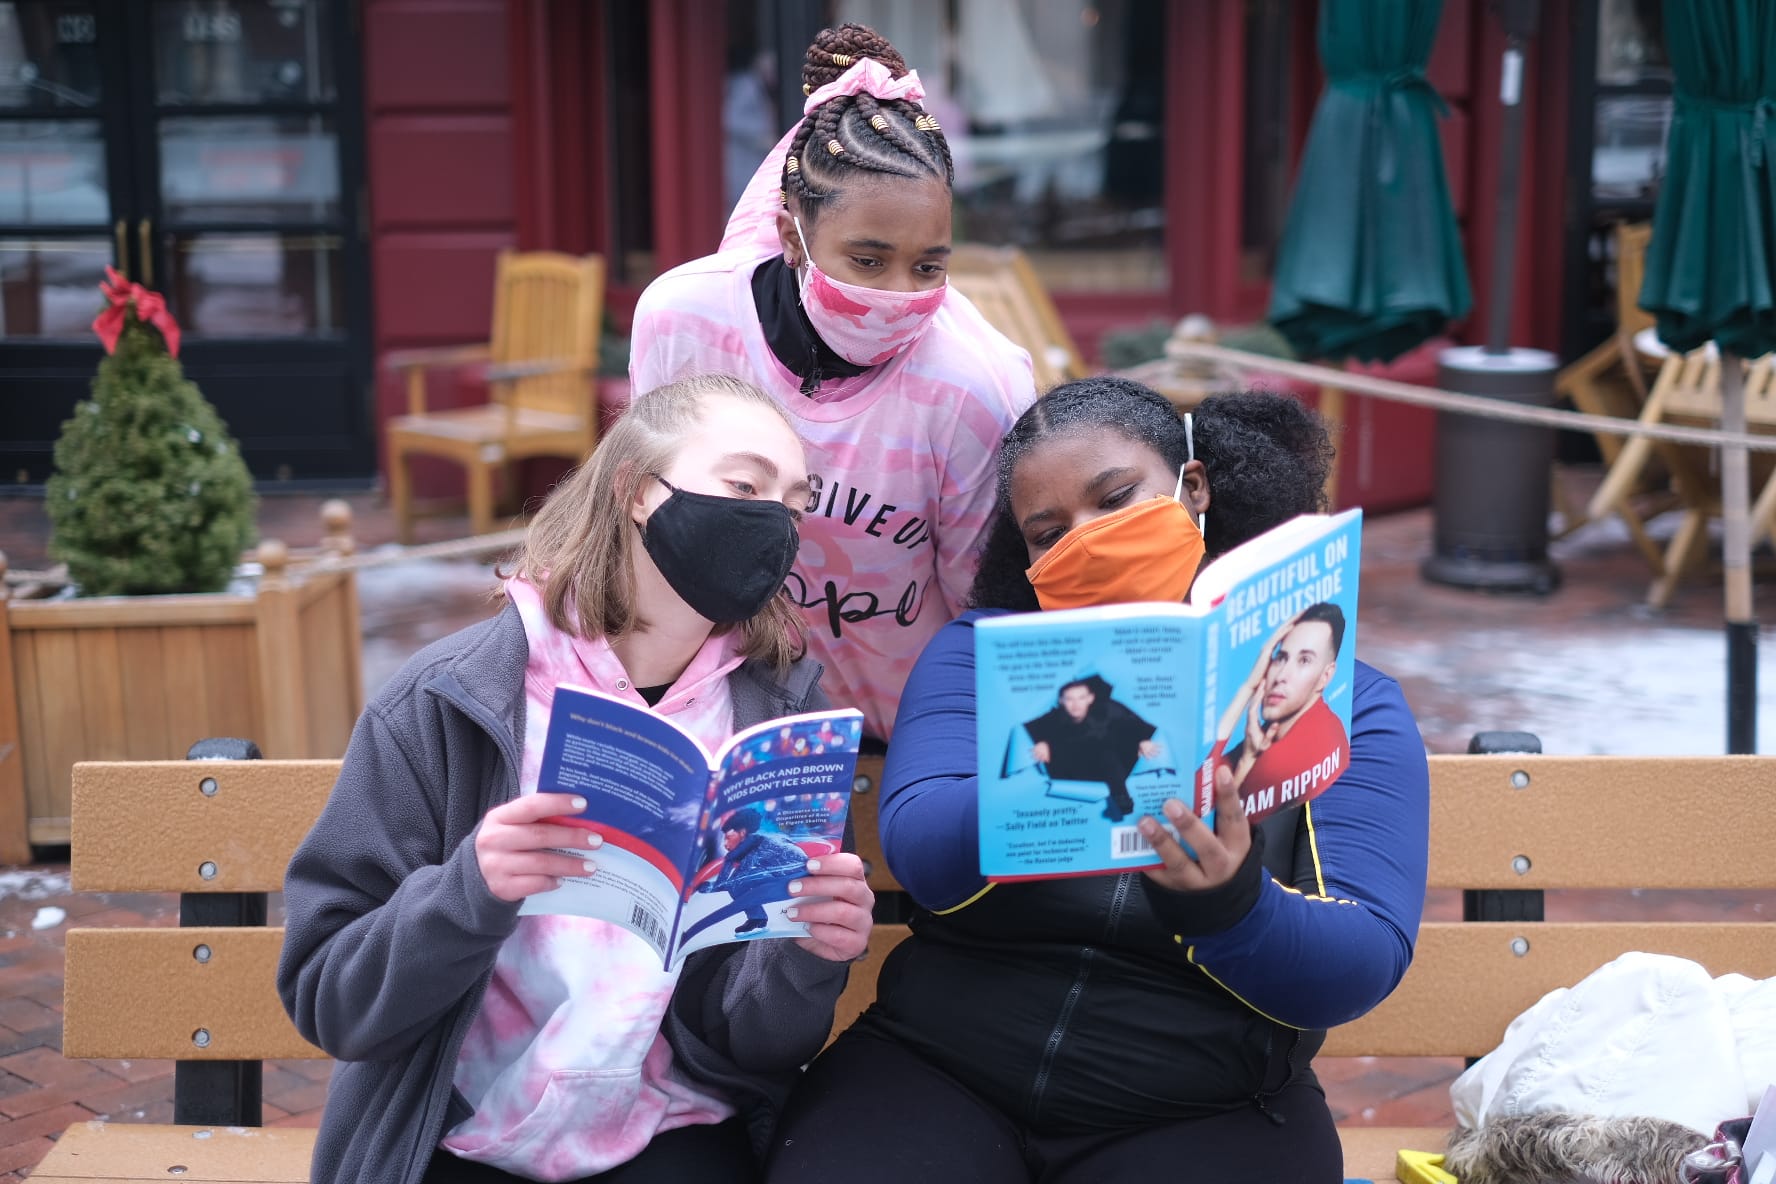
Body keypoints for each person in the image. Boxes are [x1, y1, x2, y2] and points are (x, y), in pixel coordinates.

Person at [765, 378, 1430, 1184]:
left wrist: (1227, 904)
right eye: (1048, 533)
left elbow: (1360, 957)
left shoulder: (1332, 695)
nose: (1085, 540)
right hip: (943, 1069)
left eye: (1115, 499)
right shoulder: (984, 654)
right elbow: (923, 849)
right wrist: (1048, 768)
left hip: (1208, 1104)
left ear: (1193, 488)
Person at [278, 375, 874, 1184]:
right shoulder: (447, 699)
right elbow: (333, 1003)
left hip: (668, 1117)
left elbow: (754, 1044)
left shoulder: (777, 722)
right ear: (636, 492)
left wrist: (809, 953)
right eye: (743, 486)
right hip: (456, 1125)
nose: (773, 522)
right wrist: (470, 890)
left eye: (795, 504)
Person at [629, 22, 1037, 743]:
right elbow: (637, 523)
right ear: (792, 237)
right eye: (869, 261)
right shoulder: (684, 324)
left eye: (929, 266)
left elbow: (987, 608)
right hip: (718, 719)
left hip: (909, 736)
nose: (900, 294)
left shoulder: (975, 388)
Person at [1215, 603, 1350, 808]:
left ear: (1326, 676)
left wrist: (1246, 763)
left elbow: (1200, 821)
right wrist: (1250, 685)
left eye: (1304, 660)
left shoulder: (1292, 754)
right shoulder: (1269, 734)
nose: (1281, 676)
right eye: (1280, 657)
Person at [1020, 675, 1161, 821]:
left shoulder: (1108, 709)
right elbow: (1029, 729)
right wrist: (1042, 742)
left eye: (1081, 698)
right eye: (1069, 699)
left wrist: (1143, 740)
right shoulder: (1054, 716)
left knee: (1108, 753)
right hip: (1074, 770)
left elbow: (1137, 725)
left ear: (1090, 698)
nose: (1076, 704)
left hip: (1110, 766)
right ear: (1061, 701)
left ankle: (1121, 797)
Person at [699, 807, 816, 935]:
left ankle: (756, 918)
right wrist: (716, 884)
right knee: (738, 885)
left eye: (728, 837)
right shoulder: (750, 845)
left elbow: (740, 876)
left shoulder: (763, 845)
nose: (725, 844)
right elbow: (730, 873)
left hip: (796, 876)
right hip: (778, 874)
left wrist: (714, 887)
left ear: (742, 833)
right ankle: (757, 919)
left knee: (739, 882)